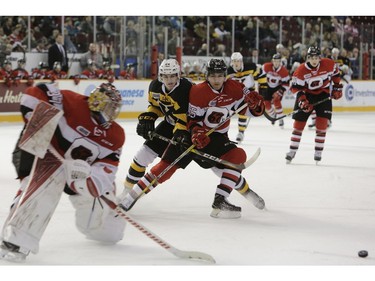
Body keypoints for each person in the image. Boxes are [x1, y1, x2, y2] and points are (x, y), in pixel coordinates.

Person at [120, 58, 266, 219]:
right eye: (212, 76)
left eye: (219, 75)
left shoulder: (237, 88)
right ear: (206, 75)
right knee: (166, 166)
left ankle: (223, 200)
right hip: (189, 135)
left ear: (225, 75)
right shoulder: (197, 91)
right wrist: (195, 132)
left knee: (232, 162)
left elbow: (251, 110)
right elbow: (191, 120)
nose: (216, 80)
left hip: (215, 138)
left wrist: (257, 105)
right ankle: (131, 196)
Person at [0, 82, 125, 262]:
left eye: (115, 109)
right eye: (110, 108)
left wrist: (88, 181)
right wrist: (38, 119)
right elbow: (35, 92)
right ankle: (17, 239)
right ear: (97, 103)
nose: (113, 113)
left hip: (78, 171)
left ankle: (103, 228)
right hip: (43, 152)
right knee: (44, 183)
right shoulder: (72, 102)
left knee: (109, 230)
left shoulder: (115, 135)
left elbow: (107, 170)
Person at [122, 59, 194, 193]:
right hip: (170, 124)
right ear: (160, 76)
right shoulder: (154, 87)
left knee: (166, 165)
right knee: (142, 156)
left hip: (188, 130)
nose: (169, 80)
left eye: (172, 75)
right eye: (165, 76)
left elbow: (184, 118)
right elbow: (156, 107)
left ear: (178, 75)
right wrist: (149, 118)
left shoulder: (186, 89)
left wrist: (180, 133)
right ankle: (126, 192)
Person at [285, 46, 342, 164]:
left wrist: (336, 88)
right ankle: (292, 150)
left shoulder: (328, 64)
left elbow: (336, 74)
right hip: (306, 96)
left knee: (322, 126)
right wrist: (302, 101)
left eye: (316, 57)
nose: (314, 60)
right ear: (308, 58)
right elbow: (296, 88)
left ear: (319, 58)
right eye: (312, 58)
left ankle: (318, 152)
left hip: (324, 96)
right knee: (298, 125)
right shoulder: (300, 70)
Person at [227, 52, 261, 141]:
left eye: (238, 61)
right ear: (232, 62)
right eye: (234, 61)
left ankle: (241, 132)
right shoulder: (228, 71)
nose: (236, 63)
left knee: (243, 111)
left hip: (249, 93)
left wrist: (263, 90)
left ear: (241, 61)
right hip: (236, 94)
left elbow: (261, 75)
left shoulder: (251, 67)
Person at [258, 53, 290, 128]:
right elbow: (259, 73)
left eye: (278, 61)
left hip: (278, 87)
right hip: (268, 87)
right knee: (266, 103)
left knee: (276, 99)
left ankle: (280, 118)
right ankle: (273, 115)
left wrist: (280, 91)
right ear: (272, 61)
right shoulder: (266, 66)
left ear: (280, 62)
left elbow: (287, 84)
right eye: (275, 61)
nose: (276, 63)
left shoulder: (284, 71)